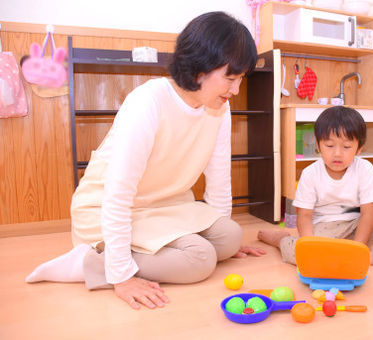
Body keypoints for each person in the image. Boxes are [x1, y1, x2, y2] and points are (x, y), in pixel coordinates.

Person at [26, 11, 265, 310]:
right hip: (107, 208)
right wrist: (122, 275)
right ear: (198, 70)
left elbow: (219, 177)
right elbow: (118, 191)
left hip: (166, 206)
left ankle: (162, 249)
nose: (236, 90)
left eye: (240, 79)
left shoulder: (219, 108)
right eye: (230, 78)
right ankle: (92, 263)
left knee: (229, 236)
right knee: (199, 260)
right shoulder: (148, 101)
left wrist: (223, 240)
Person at [258, 106, 373, 277]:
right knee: (297, 253)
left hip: (360, 225)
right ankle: (280, 239)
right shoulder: (310, 174)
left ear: (359, 148)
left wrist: (358, 249)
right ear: (318, 145)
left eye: (346, 146)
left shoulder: (365, 168)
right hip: (326, 231)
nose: (337, 154)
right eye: (330, 145)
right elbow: (304, 216)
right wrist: (310, 247)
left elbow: (369, 212)